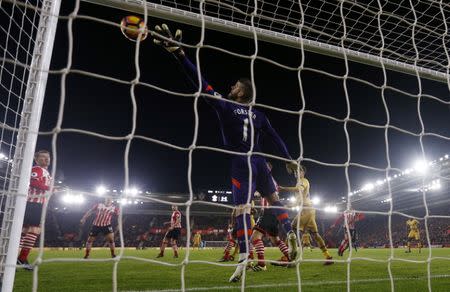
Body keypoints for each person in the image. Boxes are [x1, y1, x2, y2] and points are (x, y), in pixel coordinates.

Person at [152, 23, 298, 283]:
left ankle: (243, 259)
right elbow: (276, 138)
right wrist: (288, 159)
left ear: (241, 92)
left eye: (234, 86)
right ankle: (289, 229)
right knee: (274, 198)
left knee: (242, 210)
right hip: (261, 161)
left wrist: (180, 55)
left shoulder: (227, 106)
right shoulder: (259, 114)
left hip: (241, 162)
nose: (231, 87)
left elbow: (201, 84)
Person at [278, 165, 333, 265]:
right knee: (316, 235)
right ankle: (328, 256)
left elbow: (298, 189)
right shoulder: (300, 182)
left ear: (303, 172)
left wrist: (283, 188)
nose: (296, 172)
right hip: (309, 209)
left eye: (298, 170)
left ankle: (286, 257)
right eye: (295, 171)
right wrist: (288, 206)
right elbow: (299, 200)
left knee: (290, 229)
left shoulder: (303, 181)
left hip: (306, 210)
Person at [17, 150, 53, 270]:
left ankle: (13, 257)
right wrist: (50, 187)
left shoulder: (46, 173)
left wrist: (52, 190)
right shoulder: (37, 169)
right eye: (42, 157)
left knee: (24, 230)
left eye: (47, 157)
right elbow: (33, 182)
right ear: (36, 159)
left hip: (37, 204)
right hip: (34, 203)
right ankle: (22, 259)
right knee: (34, 230)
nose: (46, 159)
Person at [251, 191, 292, 271]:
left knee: (255, 237)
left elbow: (257, 193)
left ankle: (261, 264)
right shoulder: (272, 183)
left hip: (267, 212)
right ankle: (290, 259)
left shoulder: (264, 182)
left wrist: (254, 192)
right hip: (275, 213)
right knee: (276, 240)